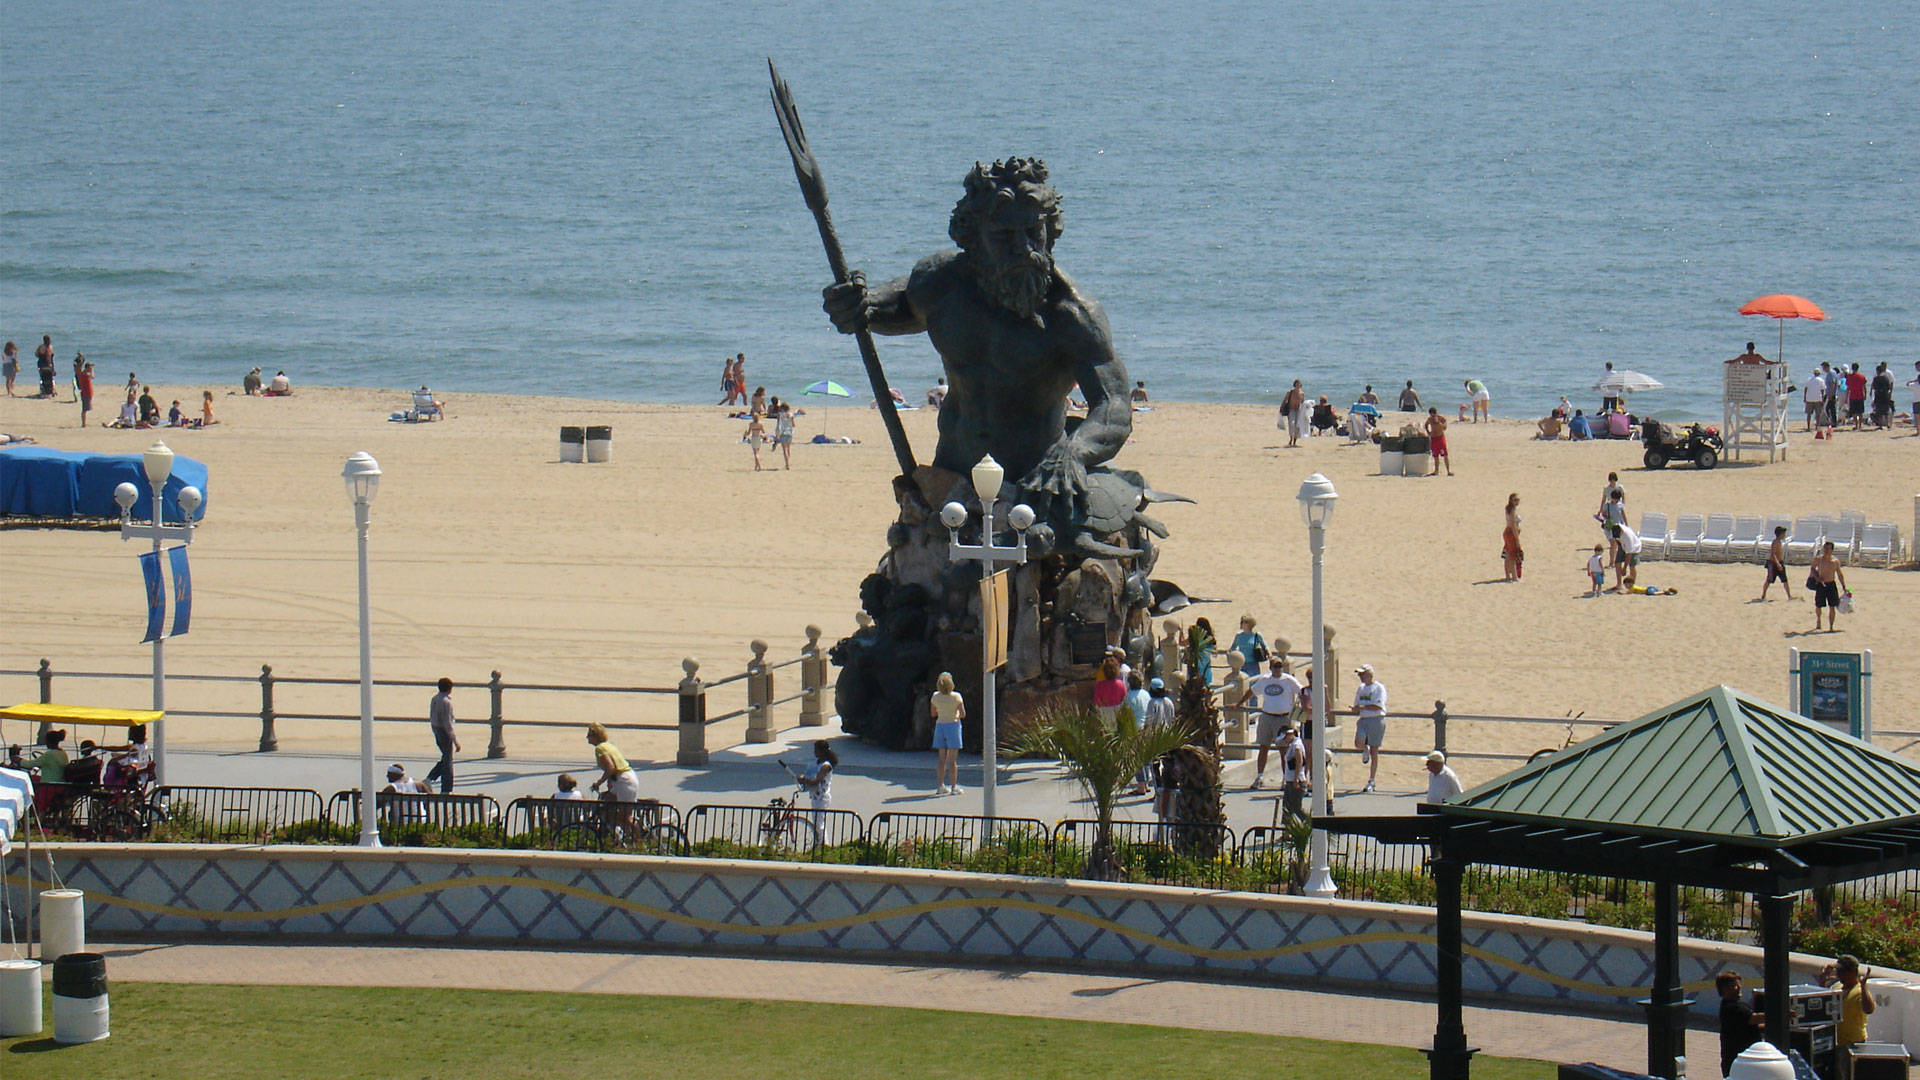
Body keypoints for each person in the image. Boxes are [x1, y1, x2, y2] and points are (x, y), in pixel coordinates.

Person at [1247, 656, 1302, 790]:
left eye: (1280, 666)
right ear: (1270, 668)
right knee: (1263, 747)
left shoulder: (1288, 680)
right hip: (1267, 716)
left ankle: (1286, 778)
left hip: (1283, 718)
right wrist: (1238, 703)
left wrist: (1301, 708)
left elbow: (1301, 691)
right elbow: (1252, 691)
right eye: (1275, 666)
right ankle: (1260, 776)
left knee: (1284, 750)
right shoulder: (1265, 680)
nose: (1278, 669)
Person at [1821, 955, 1876, 1076]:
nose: (1838, 974)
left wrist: (1863, 987)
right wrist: (1822, 982)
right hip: (1835, 1043)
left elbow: (1869, 1009)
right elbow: (1823, 1006)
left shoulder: (1859, 992)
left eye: (1842, 971)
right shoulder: (1836, 987)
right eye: (1838, 970)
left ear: (1853, 972)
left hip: (1853, 1044)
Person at [1348, 663, 1387, 792]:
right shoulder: (1361, 688)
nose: (1360, 676)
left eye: (1362, 674)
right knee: (1358, 742)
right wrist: (1355, 709)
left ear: (1369, 674)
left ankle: (1372, 780)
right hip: (1364, 719)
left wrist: (1362, 707)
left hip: (1376, 719)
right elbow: (1357, 704)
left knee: (1374, 751)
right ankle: (1365, 749)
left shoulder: (1378, 688)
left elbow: (1378, 706)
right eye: (1359, 674)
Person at [1716, 971, 1763, 1077]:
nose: (1738, 988)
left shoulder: (1738, 1005)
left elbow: (1749, 1025)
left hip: (1742, 1062)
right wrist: (1781, 1014)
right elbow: (1754, 1019)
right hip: (1737, 1063)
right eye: (1733, 986)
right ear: (1724, 990)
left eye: (1738, 984)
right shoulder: (1732, 1008)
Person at [586, 722, 641, 805]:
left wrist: (599, 782)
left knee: (625, 814)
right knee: (609, 803)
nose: (587, 737)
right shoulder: (608, 745)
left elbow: (610, 768)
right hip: (622, 778)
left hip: (624, 780)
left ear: (595, 736)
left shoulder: (600, 748)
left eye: (589, 735)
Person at [930, 671, 965, 796]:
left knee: (941, 759)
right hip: (953, 726)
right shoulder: (956, 696)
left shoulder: (935, 696)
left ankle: (940, 786)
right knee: (952, 760)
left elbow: (933, 713)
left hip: (940, 726)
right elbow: (962, 714)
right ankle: (954, 786)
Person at [425, 676, 459, 794]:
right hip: (444, 732)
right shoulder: (446, 702)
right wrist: (455, 741)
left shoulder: (434, 698)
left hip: (436, 730)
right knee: (448, 761)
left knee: (445, 758)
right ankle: (446, 788)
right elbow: (447, 723)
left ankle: (430, 778)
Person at [795, 740, 837, 826]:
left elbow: (817, 781)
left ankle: (822, 840)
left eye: (816, 750)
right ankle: (819, 839)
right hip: (815, 797)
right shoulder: (816, 763)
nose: (814, 752)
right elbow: (811, 774)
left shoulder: (826, 766)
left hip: (822, 798)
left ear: (822, 751)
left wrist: (804, 780)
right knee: (817, 824)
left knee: (819, 825)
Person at [1810, 540, 1849, 632]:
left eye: (1828, 549)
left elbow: (1839, 574)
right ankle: (1818, 620)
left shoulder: (1835, 561)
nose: (1826, 551)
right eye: (1825, 548)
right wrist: (1816, 577)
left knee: (1832, 606)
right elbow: (1812, 568)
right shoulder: (1819, 559)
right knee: (1818, 605)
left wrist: (1844, 586)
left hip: (1831, 584)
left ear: (1832, 550)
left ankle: (1831, 626)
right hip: (1821, 584)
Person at [1757, 525, 1793, 602]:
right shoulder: (1775, 542)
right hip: (1774, 564)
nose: (1784, 535)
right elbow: (1773, 554)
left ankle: (1789, 596)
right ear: (1780, 534)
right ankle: (1763, 595)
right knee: (1769, 580)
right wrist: (1778, 564)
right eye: (1783, 533)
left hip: (1780, 562)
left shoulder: (1780, 542)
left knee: (1785, 580)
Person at [1092, 655, 1126, 728]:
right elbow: (1124, 699)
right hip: (1117, 714)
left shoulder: (1099, 685)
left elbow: (1096, 702)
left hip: (1104, 715)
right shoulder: (1120, 684)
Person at [1186, 616, 1216, 686]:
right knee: (1206, 683)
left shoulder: (1194, 636)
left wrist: (1181, 632)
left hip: (1196, 662)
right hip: (1206, 662)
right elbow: (1214, 650)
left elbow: (1182, 642)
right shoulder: (1210, 638)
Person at [1613, 523, 1642, 592]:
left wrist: (1624, 568)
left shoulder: (1628, 537)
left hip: (1634, 548)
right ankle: (1619, 584)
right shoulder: (1616, 527)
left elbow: (1629, 554)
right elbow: (1616, 539)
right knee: (1617, 563)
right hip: (1622, 545)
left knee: (1632, 566)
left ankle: (1632, 586)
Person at [1502, 493, 1523, 582]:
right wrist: (1517, 538)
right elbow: (1513, 524)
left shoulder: (1508, 509)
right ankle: (1514, 576)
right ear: (1511, 500)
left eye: (1518, 500)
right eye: (1515, 500)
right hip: (1511, 533)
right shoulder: (1512, 510)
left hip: (1507, 532)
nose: (1517, 502)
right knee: (1512, 555)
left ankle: (1508, 576)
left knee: (1508, 554)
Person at [1425, 407, 1451, 476]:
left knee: (1445, 454)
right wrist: (1428, 432)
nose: (1433, 416)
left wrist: (1440, 424)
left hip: (1440, 438)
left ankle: (1448, 471)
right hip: (1433, 438)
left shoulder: (1440, 418)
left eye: (1434, 415)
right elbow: (1426, 425)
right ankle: (1436, 471)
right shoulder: (1429, 419)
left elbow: (1445, 427)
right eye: (1431, 415)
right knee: (1435, 456)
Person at [1280, 379, 1306, 447]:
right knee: (1291, 424)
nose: (1298, 385)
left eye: (1299, 384)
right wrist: (1281, 408)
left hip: (1298, 410)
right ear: (1294, 385)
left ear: (1300, 385)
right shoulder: (1290, 392)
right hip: (1291, 410)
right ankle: (1291, 438)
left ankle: (1294, 441)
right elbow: (1285, 400)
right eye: (1296, 384)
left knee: (1297, 426)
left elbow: (1303, 403)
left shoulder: (1302, 393)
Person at [1869, 362, 1894, 429]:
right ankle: (1888, 424)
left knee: (1879, 411)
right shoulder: (1885, 378)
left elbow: (1874, 386)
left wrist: (1872, 392)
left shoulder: (1876, 378)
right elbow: (1889, 386)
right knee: (1886, 410)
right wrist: (1889, 393)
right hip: (1885, 395)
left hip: (1878, 395)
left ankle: (1880, 425)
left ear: (1877, 371)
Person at [1803, 366, 1827, 431]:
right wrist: (1823, 398)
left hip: (1809, 398)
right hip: (1818, 398)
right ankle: (1817, 427)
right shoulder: (1821, 380)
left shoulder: (1809, 379)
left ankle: (1808, 427)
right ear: (1819, 373)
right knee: (1818, 414)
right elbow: (1823, 390)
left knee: (1809, 414)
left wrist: (1804, 397)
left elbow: (1805, 389)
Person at [1845, 361, 1867, 430]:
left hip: (1852, 396)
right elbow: (1864, 387)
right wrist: (1865, 394)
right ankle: (1860, 425)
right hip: (1860, 395)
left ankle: (1856, 425)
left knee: (1854, 412)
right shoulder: (1862, 376)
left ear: (1852, 368)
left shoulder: (1850, 377)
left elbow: (1848, 388)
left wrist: (1846, 397)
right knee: (1860, 412)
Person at [773, 402, 794, 469]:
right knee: (788, 448)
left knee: (784, 449)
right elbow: (793, 424)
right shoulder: (791, 415)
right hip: (790, 432)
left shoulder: (780, 415)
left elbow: (778, 424)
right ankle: (788, 463)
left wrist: (776, 434)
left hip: (783, 432)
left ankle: (787, 463)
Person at [76, 360, 94, 427]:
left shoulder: (83, 374)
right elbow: (92, 377)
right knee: (84, 409)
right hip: (85, 393)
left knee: (86, 409)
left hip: (86, 393)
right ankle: (83, 423)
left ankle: (84, 423)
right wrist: (92, 371)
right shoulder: (84, 375)